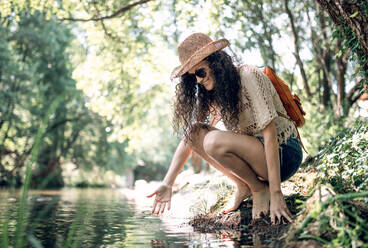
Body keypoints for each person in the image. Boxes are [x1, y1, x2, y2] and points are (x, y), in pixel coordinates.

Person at [147, 33, 303, 225]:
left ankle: (259, 189)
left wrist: (277, 193)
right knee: (195, 133)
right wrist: (167, 183)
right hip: (259, 153)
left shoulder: (248, 76)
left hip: (284, 153)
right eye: (193, 76)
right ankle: (244, 187)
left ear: (216, 63)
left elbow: (269, 134)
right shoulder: (218, 93)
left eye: (200, 72)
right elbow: (190, 138)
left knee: (213, 142)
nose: (198, 80)